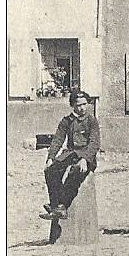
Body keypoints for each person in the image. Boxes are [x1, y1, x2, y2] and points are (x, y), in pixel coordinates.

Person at [40, 89, 100, 220]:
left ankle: (62, 205)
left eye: (84, 104)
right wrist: (50, 158)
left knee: (76, 171)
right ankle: (55, 205)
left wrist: (85, 159)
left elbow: (94, 143)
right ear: (73, 105)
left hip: (86, 156)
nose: (82, 108)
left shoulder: (92, 120)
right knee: (50, 170)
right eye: (78, 105)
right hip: (70, 154)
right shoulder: (67, 121)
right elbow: (58, 140)